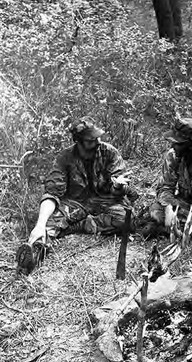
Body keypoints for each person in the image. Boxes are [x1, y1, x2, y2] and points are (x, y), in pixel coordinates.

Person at [16, 116, 137, 275]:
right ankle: (33, 255)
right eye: (90, 140)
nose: (96, 143)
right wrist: (39, 225)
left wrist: (118, 187)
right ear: (78, 141)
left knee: (126, 220)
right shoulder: (64, 158)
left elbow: (122, 189)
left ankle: (77, 225)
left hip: (106, 201)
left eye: (97, 138)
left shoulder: (110, 153)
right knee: (48, 225)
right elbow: (52, 193)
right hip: (76, 203)